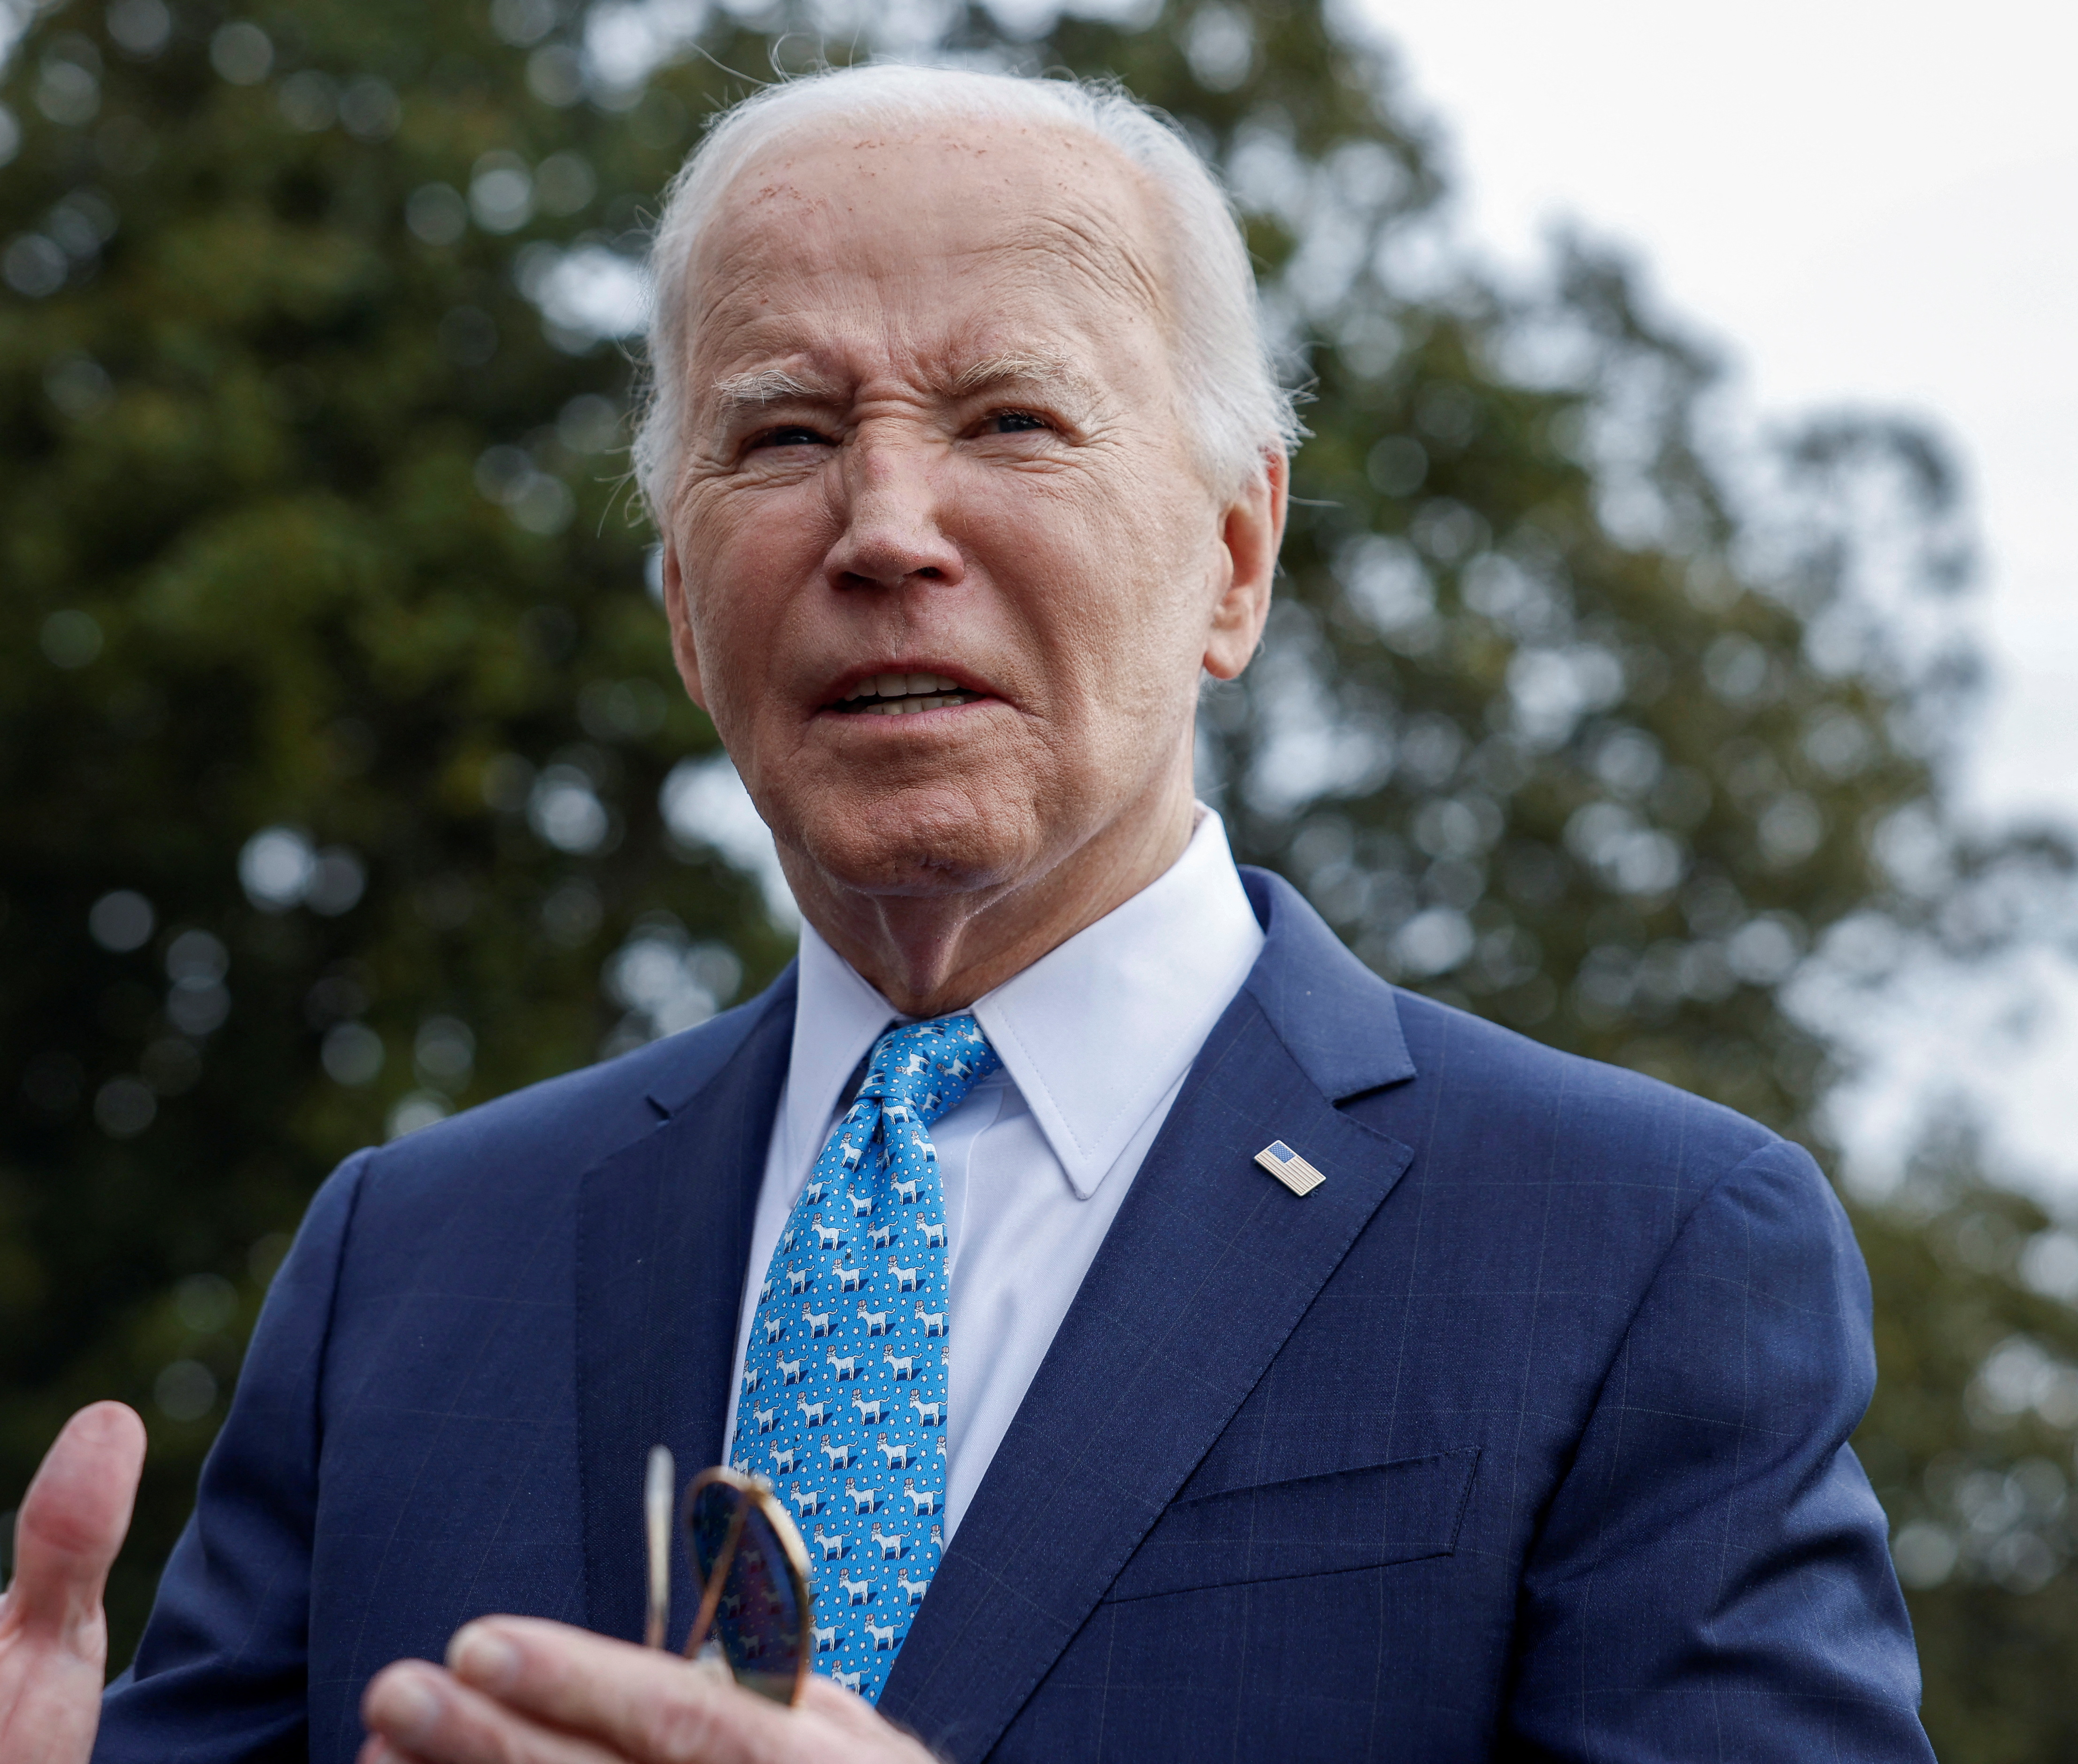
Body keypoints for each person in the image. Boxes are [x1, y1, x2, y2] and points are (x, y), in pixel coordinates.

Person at [0, 65, 1934, 1764]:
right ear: (683, 602)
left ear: (1236, 559)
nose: (885, 526)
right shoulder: (405, 1271)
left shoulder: (1636, 1250)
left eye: (1010, 420)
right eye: (780, 436)